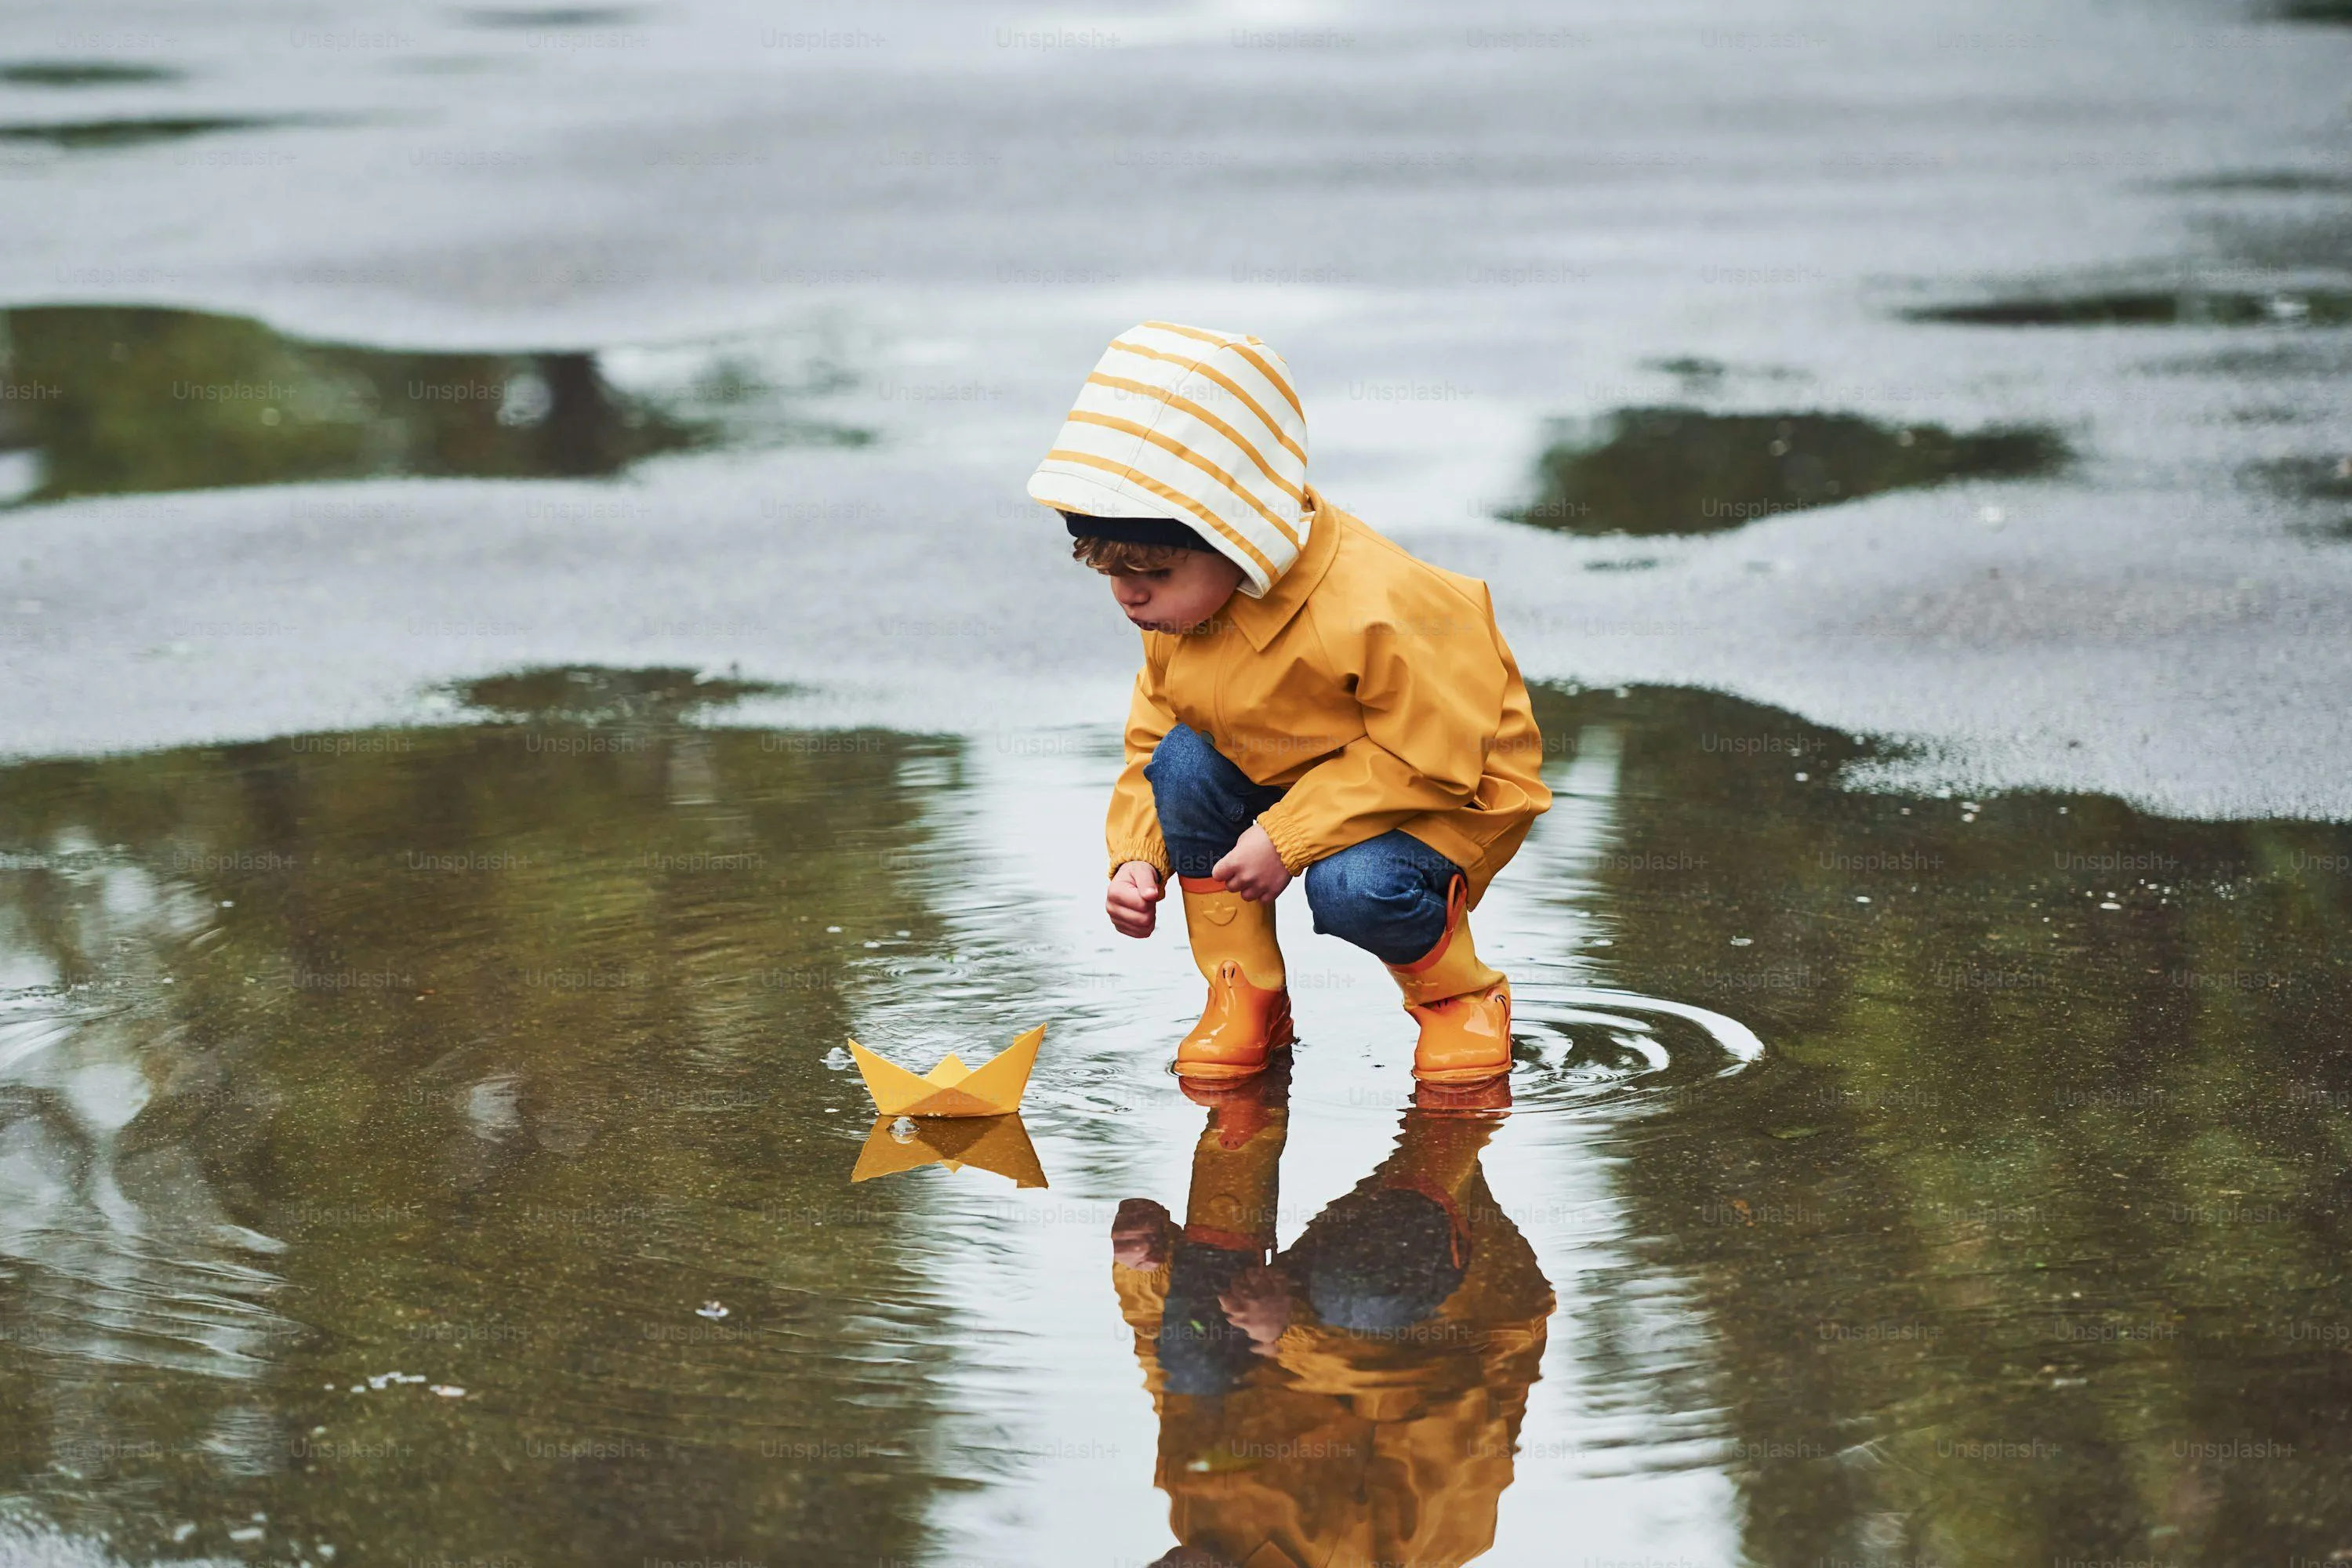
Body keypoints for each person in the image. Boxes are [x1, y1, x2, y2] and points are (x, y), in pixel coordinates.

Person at [1028, 321, 1551, 1087]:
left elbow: (1430, 757)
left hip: (1446, 787)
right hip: (1297, 766)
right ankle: (1245, 994)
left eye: (1153, 571)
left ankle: (1458, 1000)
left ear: (1238, 536)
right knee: (1183, 761)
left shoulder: (1381, 605)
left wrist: (1286, 834)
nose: (1130, 594)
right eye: (1111, 571)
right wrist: (1140, 854)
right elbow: (1156, 734)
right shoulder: (1181, 612)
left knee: (1353, 886)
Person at [1109, 1069, 1554, 1568]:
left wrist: (1145, 1267)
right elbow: (1447, 1390)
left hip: (1301, 1308)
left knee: (1196, 1362)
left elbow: (1174, 1372)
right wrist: (1287, 1338)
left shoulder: (1197, 1534)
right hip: (1454, 1312)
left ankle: (1247, 1092)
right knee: (1363, 1298)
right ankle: (1457, 1092)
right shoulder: (1391, 1554)